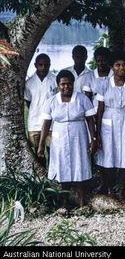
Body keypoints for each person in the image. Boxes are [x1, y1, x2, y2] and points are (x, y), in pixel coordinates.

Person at [37, 70, 97, 209]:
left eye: (69, 84)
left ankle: (82, 203)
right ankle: (64, 203)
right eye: (63, 84)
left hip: (79, 137)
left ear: (73, 84)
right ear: (58, 85)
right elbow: (46, 124)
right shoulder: (52, 101)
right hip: (60, 138)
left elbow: (90, 120)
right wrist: (41, 144)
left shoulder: (82, 99)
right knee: (62, 168)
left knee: (79, 166)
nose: (66, 87)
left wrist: (93, 139)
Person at [95, 51, 125, 201]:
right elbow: (100, 109)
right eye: (117, 65)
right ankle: (110, 189)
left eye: (124, 65)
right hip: (108, 121)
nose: (121, 68)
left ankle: (122, 190)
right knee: (109, 156)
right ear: (112, 67)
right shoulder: (104, 84)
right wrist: (97, 132)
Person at [24, 53, 57, 165]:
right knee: (38, 153)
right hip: (34, 123)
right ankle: (41, 179)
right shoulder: (29, 83)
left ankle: (53, 176)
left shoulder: (55, 80)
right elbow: (29, 102)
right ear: (35, 65)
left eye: (46, 65)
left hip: (52, 124)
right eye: (40, 64)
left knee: (52, 151)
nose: (43, 68)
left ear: (50, 65)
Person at [87, 47, 113, 111]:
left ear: (108, 60)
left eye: (103, 61)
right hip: (94, 111)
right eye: (98, 61)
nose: (100, 64)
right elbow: (87, 98)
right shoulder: (90, 76)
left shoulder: (114, 75)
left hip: (111, 111)